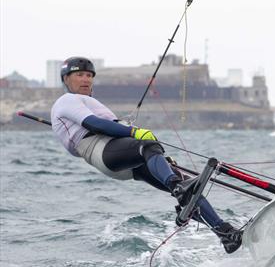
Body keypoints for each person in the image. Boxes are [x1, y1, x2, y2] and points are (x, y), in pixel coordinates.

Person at [50, 56, 242, 253]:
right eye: (79, 75)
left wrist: (158, 159)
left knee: (188, 186)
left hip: (120, 155)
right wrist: (134, 133)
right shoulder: (67, 101)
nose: (85, 79)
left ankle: (225, 234)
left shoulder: (90, 102)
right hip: (101, 151)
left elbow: (110, 129)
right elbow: (95, 124)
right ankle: (176, 186)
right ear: (66, 79)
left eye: (89, 75)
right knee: (150, 148)